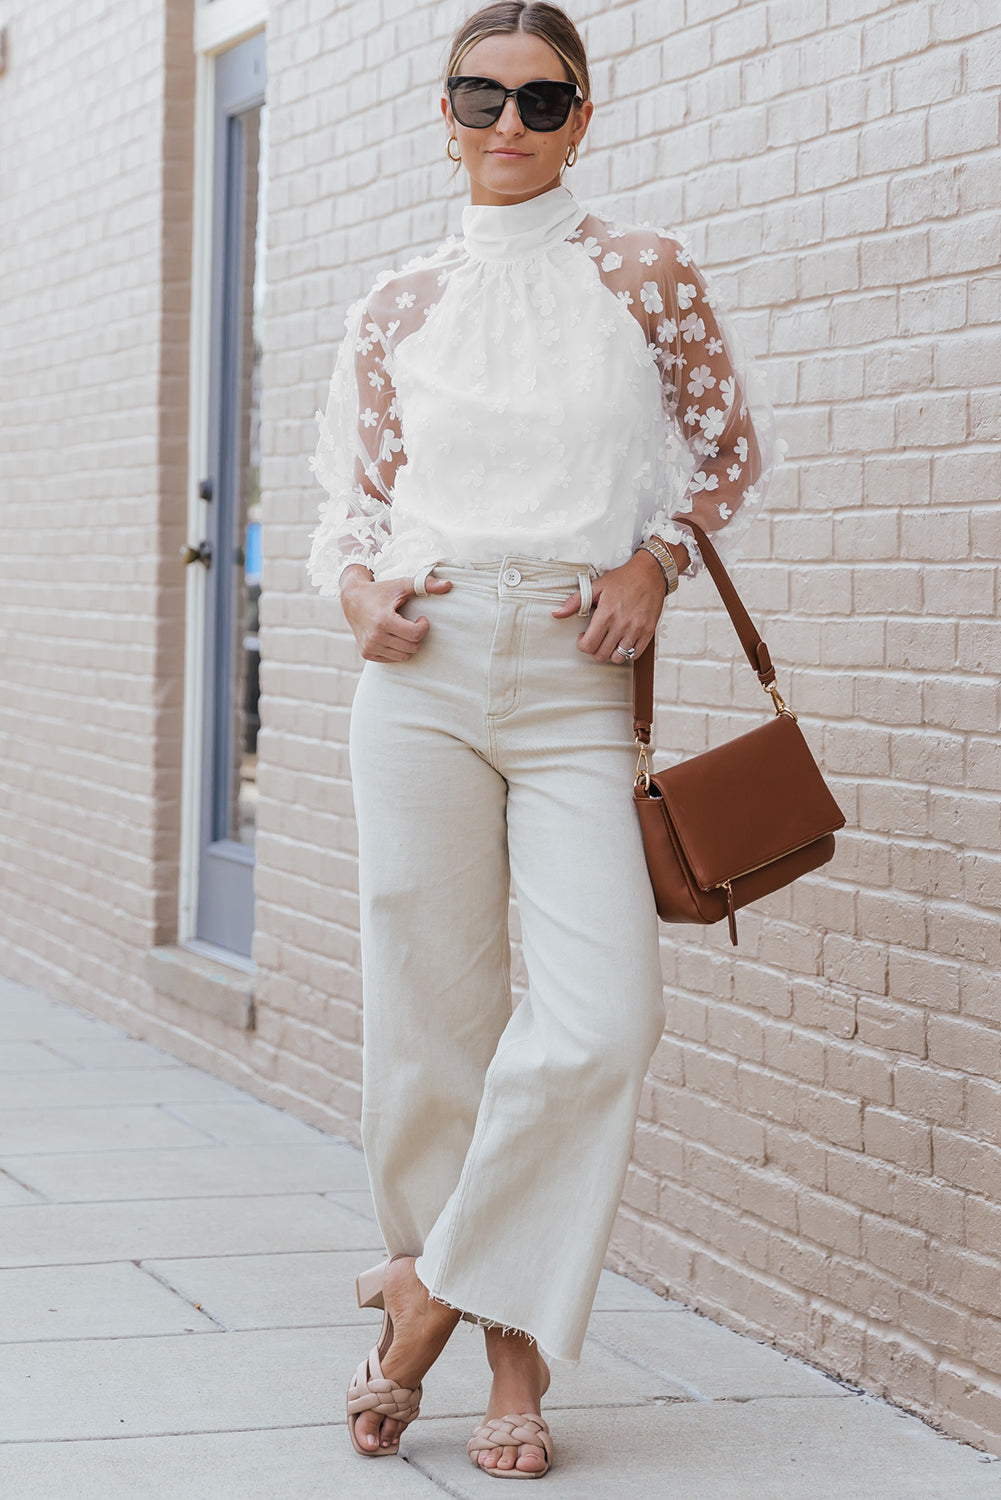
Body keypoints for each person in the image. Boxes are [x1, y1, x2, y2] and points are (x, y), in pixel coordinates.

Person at [308, 0, 774, 1479]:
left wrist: (656, 561)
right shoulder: (394, 301)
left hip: (577, 672)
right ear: (439, 112)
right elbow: (344, 502)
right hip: (426, 666)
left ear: (584, 114)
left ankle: (424, 1301)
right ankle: (512, 1370)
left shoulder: (642, 274)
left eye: (539, 100)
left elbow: (722, 456)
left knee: (597, 1022)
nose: (506, 127)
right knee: (433, 1027)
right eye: (478, 96)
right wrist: (353, 592)